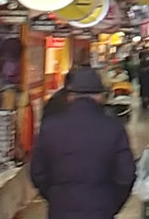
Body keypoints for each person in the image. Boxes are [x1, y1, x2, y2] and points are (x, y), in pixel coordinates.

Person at [30, 66, 136, 219]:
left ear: (69, 97)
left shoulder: (50, 127)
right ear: (100, 96)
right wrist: (111, 204)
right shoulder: (114, 128)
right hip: (101, 209)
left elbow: (38, 173)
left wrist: (55, 196)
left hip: (60, 210)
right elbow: (126, 176)